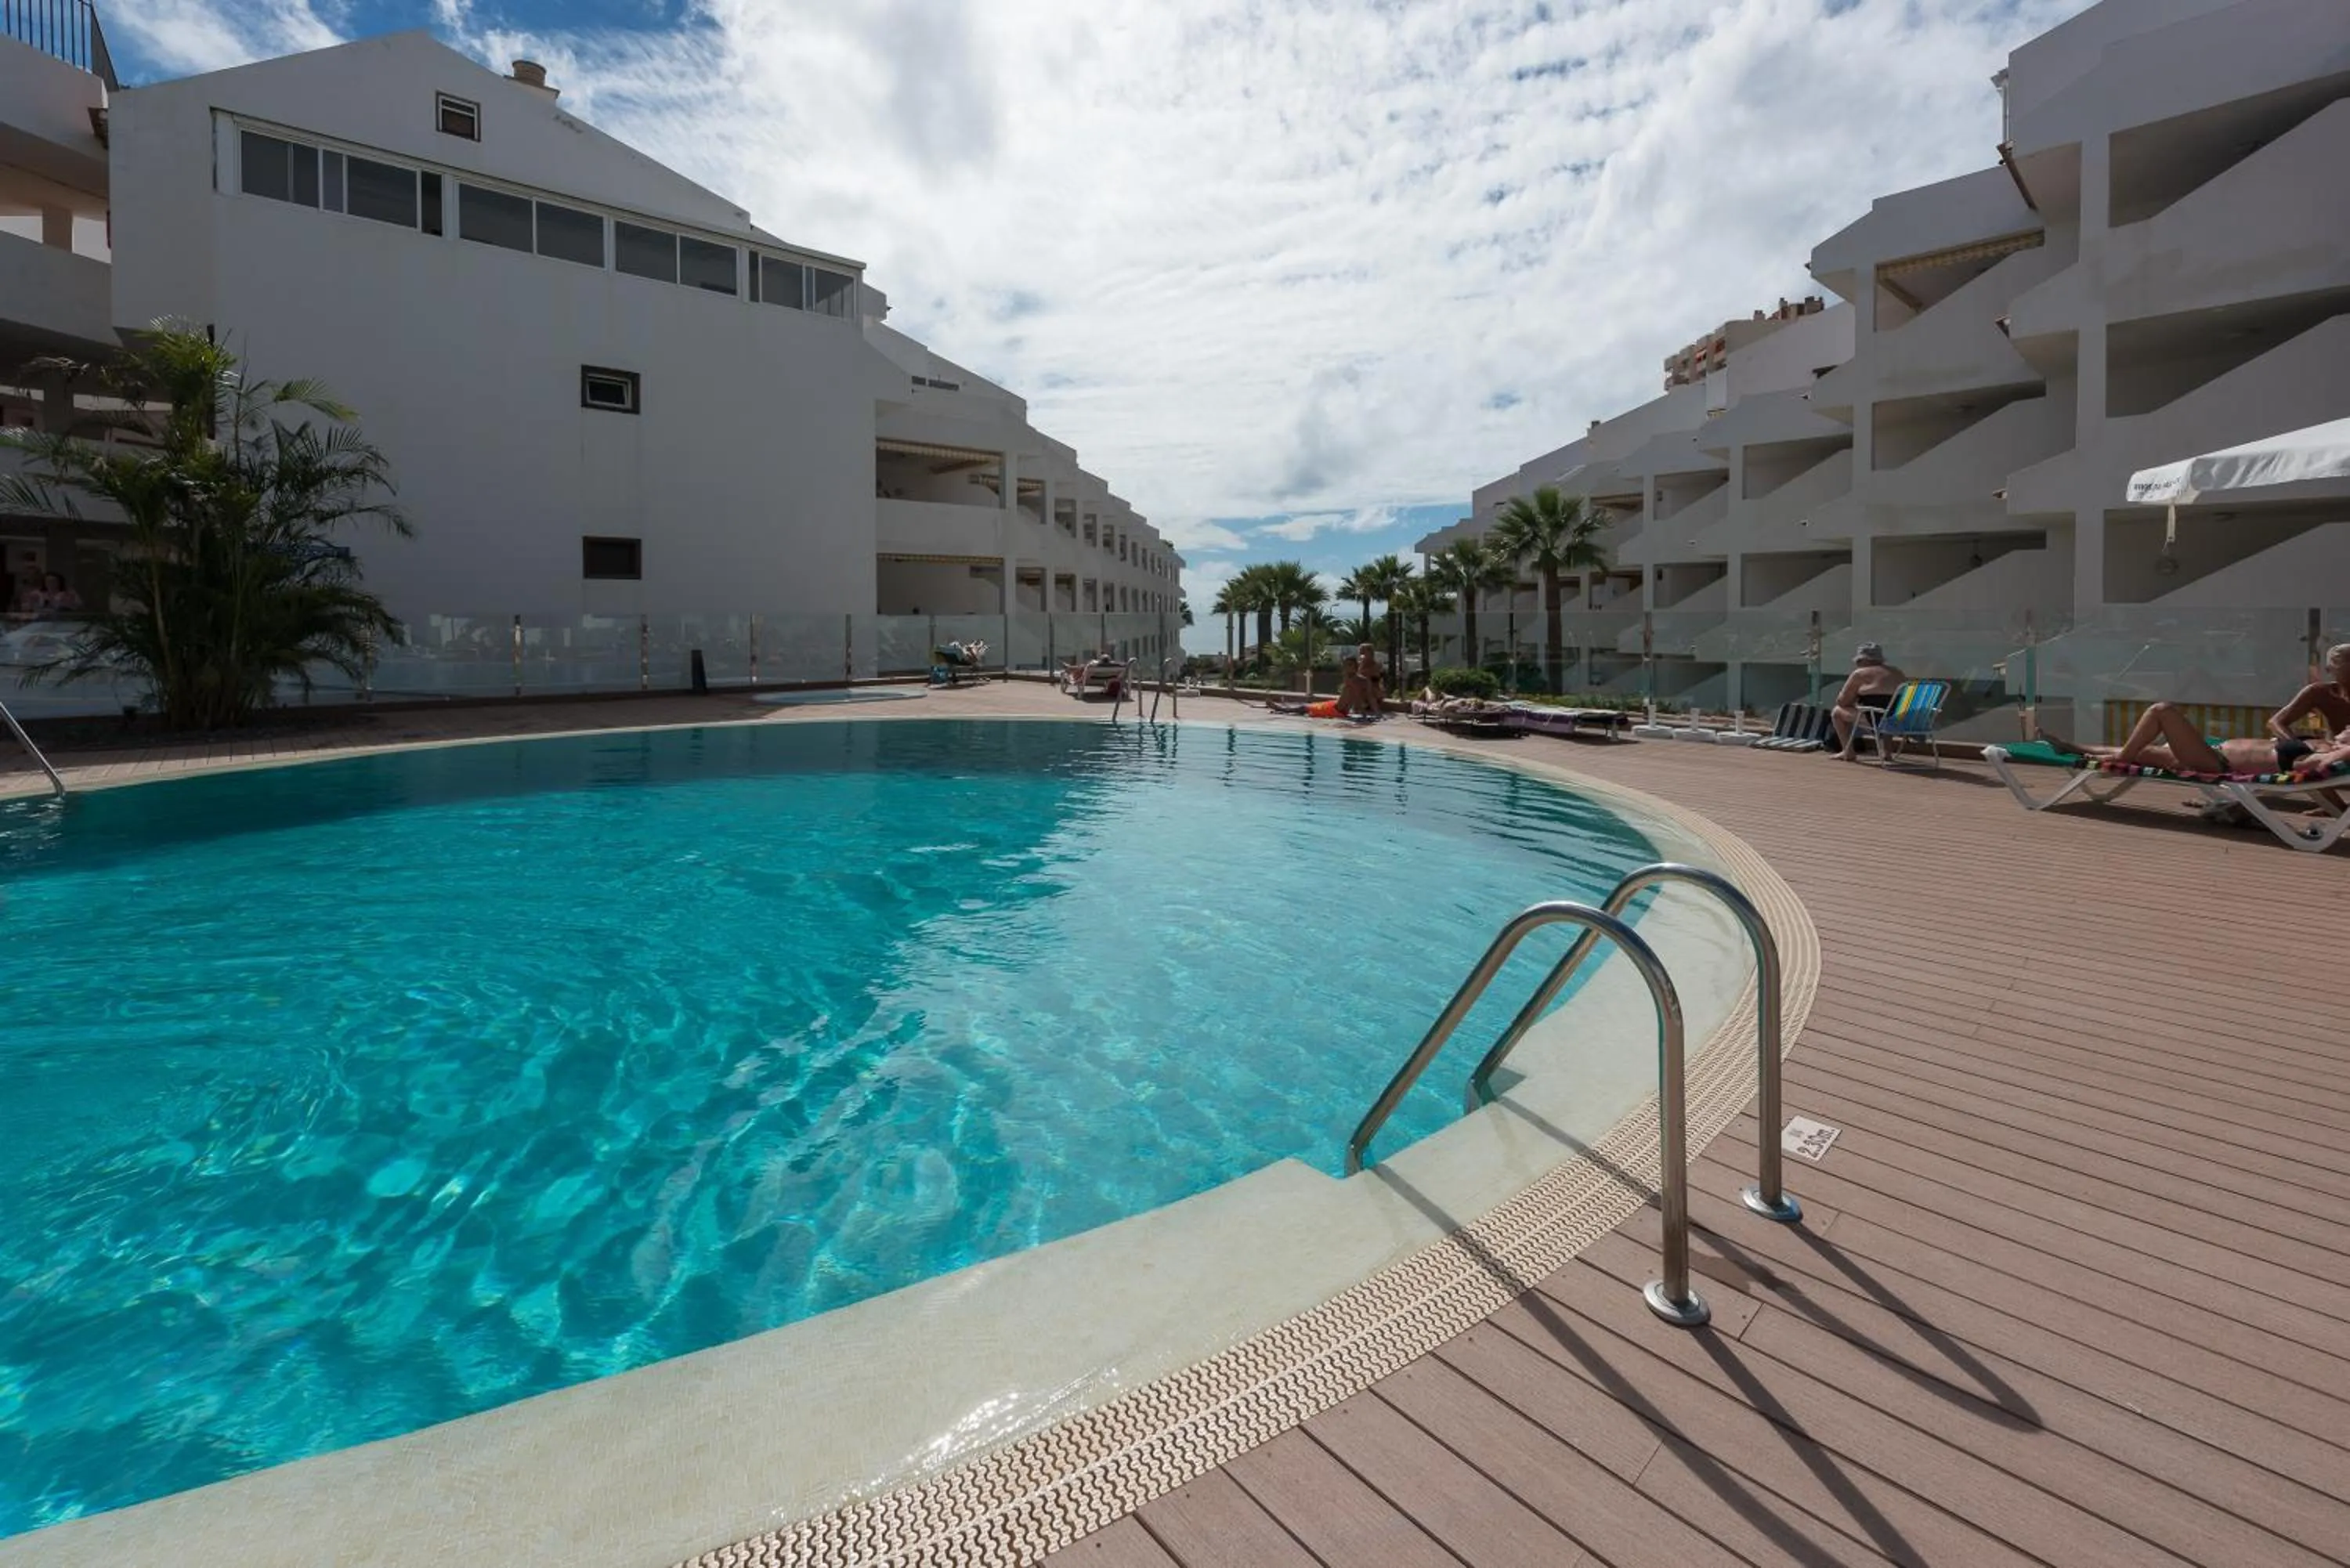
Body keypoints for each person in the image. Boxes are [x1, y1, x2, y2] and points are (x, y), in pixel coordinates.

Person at [2041, 703, 2350, 779]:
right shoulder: (2318, 741)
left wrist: (2344, 748)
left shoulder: (2319, 755)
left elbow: (2327, 764)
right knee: (2143, 751)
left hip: (2218, 763)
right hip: (2211, 751)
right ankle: (2071, 747)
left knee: (2162, 711)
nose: (2347, 726)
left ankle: (2121, 757)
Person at [1831, 642, 1907, 761]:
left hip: (1878, 720)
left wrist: (1856, 697)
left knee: (1837, 712)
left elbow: (1842, 702)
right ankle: (1886, 752)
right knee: (1889, 710)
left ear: (1864, 660)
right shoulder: (1897, 672)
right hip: (1901, 720)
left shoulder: (1861, 674)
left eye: (1858, 661)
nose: (1857, 664)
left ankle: (1848, 752)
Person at [2269, 644, 2350, 744]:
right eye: (2345, 666)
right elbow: (2276, 722)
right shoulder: (2319, 692)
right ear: (2329, 669)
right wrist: (2295, 745)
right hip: (2331, 749)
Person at [1343, 642, 1386, 717]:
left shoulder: (1377, 665)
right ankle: (1357, 708)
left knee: (1366, 685)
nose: (1361, 655)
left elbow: (1368, 675)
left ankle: (1374, 710)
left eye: (1363, 652)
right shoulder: (1359, 664)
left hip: (1374, 693)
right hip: (1361, 693)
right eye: (1360, 652)